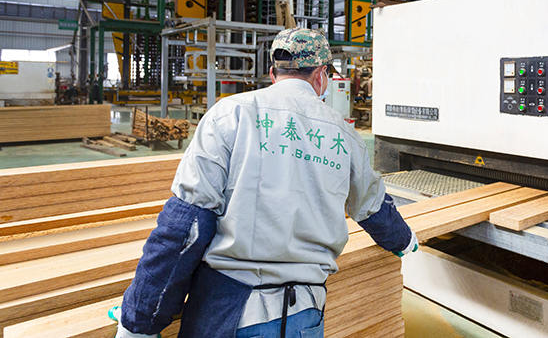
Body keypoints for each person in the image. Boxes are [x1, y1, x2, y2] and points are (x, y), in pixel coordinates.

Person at [111, 28, 417, 338]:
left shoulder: (229, 115)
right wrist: (405, 241)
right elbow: (373, 208)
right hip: (304, 316)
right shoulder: (345, 134)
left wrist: (140, 319)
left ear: (273, 73)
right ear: (321, 76)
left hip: (227, 312)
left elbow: (185, 227)